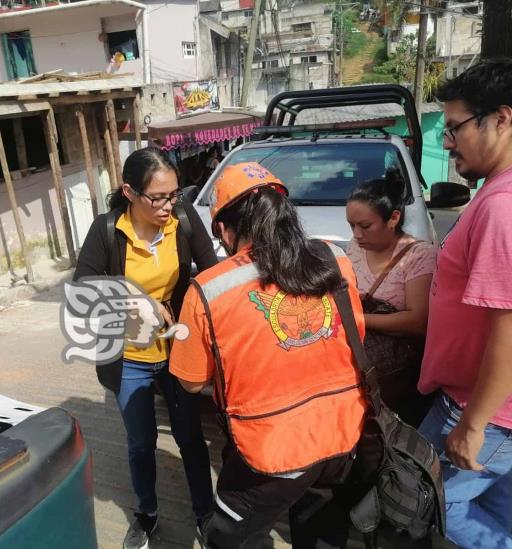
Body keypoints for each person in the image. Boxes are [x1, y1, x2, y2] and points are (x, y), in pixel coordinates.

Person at [169, 162, 368, 548]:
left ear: (226, 229)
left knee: (229, 536)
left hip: (271, 450)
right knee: (322, 527)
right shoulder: (336, 259)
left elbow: (191, 381)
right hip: (344, 434)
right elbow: (353, 336)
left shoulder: (209, 289)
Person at [416, 60, 512, 548]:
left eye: (454, 128)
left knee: (430, 498)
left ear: (500, 119)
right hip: (504, 395)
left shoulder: (509, 205)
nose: (448, 142)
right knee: (482, 495)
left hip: (490, 404)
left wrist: (473, 424)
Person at [73, 147, 218, 549]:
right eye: (158, 197)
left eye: (174, 194)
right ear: (130, 192)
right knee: (141, 443)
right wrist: (133, 297)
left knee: (190, 437)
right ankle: (147, 515)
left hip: (177, 351)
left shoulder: (184, 222)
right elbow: (83, 284)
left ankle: (204, 513)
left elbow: (212, 273)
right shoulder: (107, 230)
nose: (168, 205)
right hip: (129, 357)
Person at [346, 175, 437, 426]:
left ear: (393, 218)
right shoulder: (355, 248)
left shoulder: (419, 256)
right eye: (351, 225)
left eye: (365, 225)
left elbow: (418, 321)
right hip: (362, 368)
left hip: (400, 377)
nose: (357, 234)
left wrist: (360, 319)